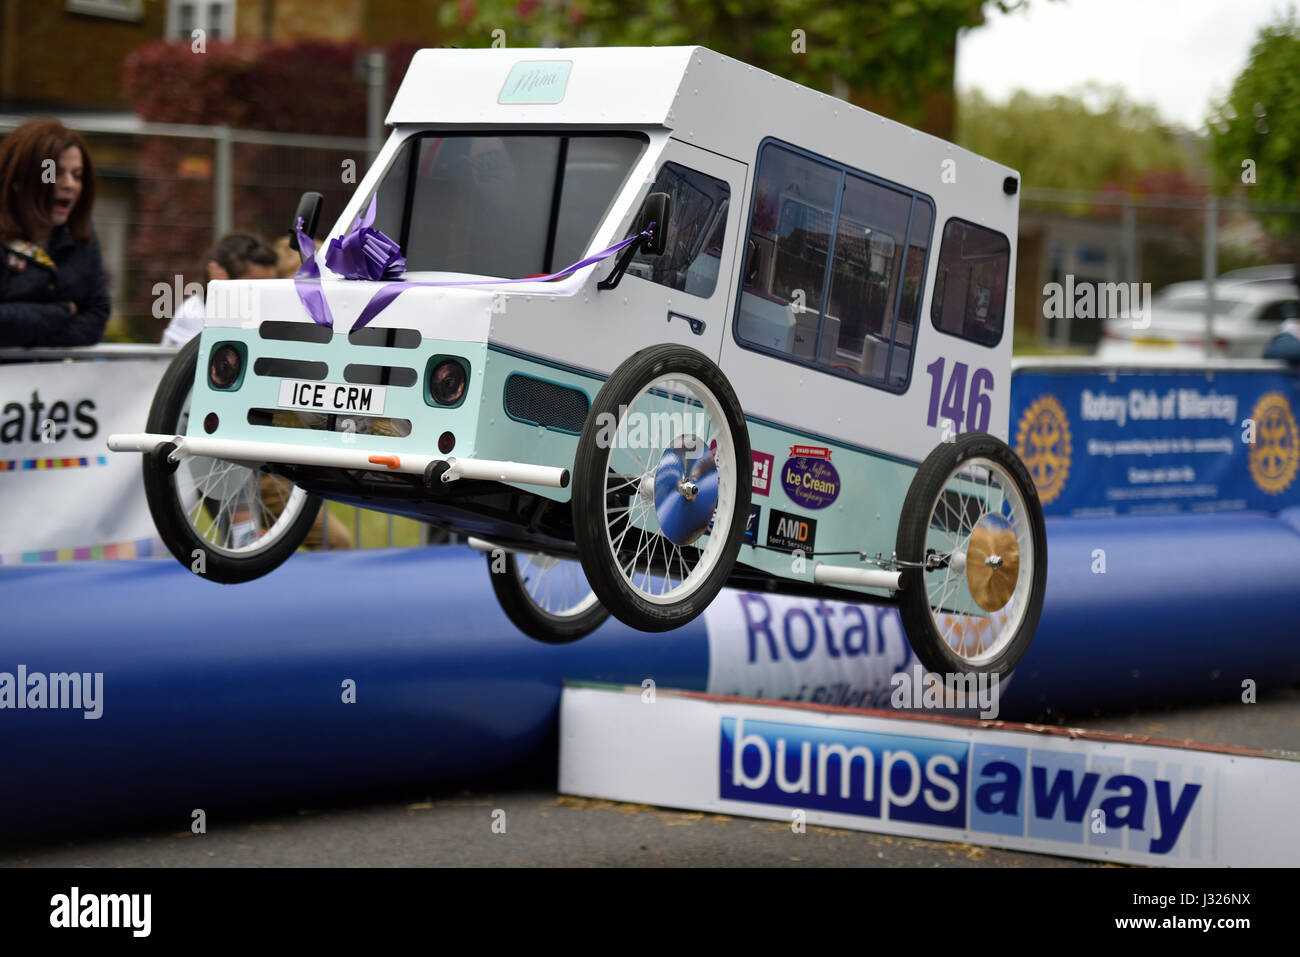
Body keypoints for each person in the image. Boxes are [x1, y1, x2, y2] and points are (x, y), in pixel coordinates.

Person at [0, 118, 110, 347]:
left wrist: (24, 333)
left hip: (55, 379)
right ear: (19, 178)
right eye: (56, 173)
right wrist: (62, 311)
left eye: (77, 175)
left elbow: (96, 318)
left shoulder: (81, 233)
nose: (69, 184)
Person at [160, 232, 278, 347]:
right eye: (253, 286)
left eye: (270, 286)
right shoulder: (193, 312)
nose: (263, 294)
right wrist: (223, 296)